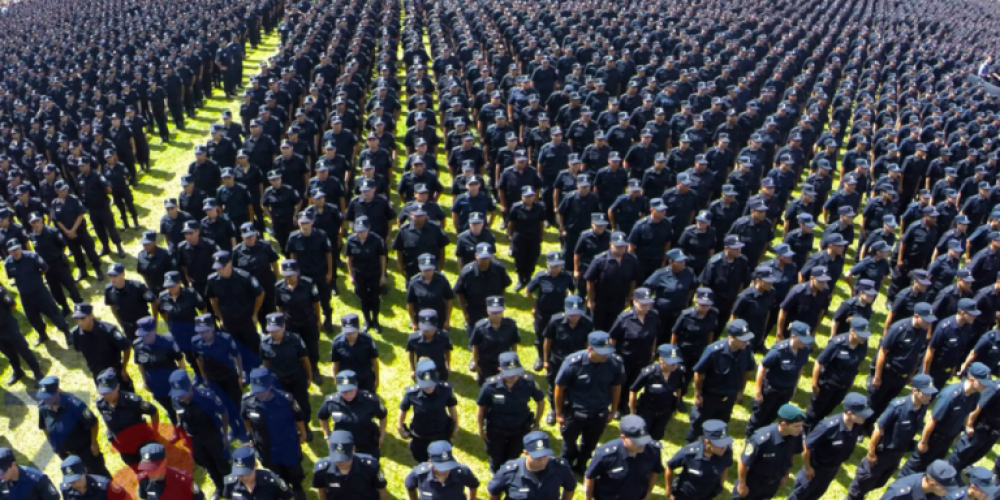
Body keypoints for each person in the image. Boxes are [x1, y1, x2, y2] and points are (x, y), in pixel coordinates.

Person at [847, 375, 937, 500]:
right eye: (926, 393)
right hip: (883, 453)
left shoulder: (922, 406)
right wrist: (871, 453)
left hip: (897, 454)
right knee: (862, 484)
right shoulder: (898, 407)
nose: (930, 397)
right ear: (915, 391)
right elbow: (879, 428)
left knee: (880, 482)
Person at [899, 362, 991, 475]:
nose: (985, 386)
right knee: (914, 468)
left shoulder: (975, 395)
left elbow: (966, 414)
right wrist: (923, 442)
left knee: (931, 469)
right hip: (935, 438)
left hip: (948, 440)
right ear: (972, 379)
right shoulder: (951, 395)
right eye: (983, 382)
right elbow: (932, 420)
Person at [554, 331, 625, 473]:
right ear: (590, 348)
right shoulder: (572, 363)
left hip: (599, 413)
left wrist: (613, 410)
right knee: (568, 444)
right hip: (574, 413)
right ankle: (566, 468)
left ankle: (581, 464)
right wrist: (558, 413)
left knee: (589, 445)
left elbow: (616, 388)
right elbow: (559, 388)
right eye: (601, 351)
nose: (605, 355)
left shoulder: (614, 363)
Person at [867, 302, 936, 434]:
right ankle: (860, 427)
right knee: (873, 401)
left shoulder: (922, 331)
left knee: (884, 403)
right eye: (926, 320)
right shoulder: (899, 328)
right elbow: (883, 351)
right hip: (887, 373)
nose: (928, 324)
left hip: (901, 377)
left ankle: (868, 424)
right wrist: (877, 376)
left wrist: (911, 374)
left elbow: (915, 353)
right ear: (916, 316)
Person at [788, 393, 872, 500]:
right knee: (800, 495)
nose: (865, 417)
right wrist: (808, 468)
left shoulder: (857, 425)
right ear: (850, 413)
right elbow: (806, 446)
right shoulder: (828, 426)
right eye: (862, 414)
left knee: (815, 495)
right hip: (816, 469)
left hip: (832, 469)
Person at [241, 367, 308, 500]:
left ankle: (297, 486)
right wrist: (250, 436)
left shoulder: (286, 399)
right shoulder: (247, 402)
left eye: (263, 390)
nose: (260, 394)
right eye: (257, 391)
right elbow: (246, 420)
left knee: (293, 469)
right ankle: (284, 489)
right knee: (275, 471)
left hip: (287, 443)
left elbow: (299, 417)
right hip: (265, 446)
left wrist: (303, 433)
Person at [685, 320, 756, 442]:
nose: (746, 341)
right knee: (698, 425)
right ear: (731, 337)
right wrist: (697, 394)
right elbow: (699, 372)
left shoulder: (746, 349)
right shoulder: (714, 351)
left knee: (720, 425)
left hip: (729, 397)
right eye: (742, 339)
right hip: (710, 397)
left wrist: (741, 390)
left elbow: (747, 370)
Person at [477, 352, 545, 472]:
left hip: (519, 429)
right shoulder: (490, 385)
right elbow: (481, 407)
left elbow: (540, 401)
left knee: (513, 457)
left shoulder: (528, 383)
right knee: (496, 458)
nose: (513, 377)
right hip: (496, 429)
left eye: (515, 373)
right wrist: (481, 429)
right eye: (509, 373)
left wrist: (536, 422)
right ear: (500, 370)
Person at [167, 370, 230, 495]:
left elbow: (224, 412)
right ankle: (219, 486)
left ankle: (230, 487)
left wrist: (226, 435)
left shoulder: (206, 396)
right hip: (194, 439)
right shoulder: (175, 399)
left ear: (190, 386)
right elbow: (178, 415)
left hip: (211, 434)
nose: (181, 397)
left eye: (183, 393)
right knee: (207, 464)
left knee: (221, 461)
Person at [745, 321, 814, 436]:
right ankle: (751, 436)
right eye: (802, 340)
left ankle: (763, 434)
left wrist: (795, 387)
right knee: (760, 415)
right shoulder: (779, 351)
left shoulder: (805, 350)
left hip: (786, 390)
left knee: (774, 415)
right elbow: (762, 366)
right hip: (771, 389)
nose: (805, 343)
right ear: (793, 336)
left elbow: (800, 368)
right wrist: (757, 391)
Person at [35, 376, 110, 477]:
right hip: (65, 454)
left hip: (85, 451)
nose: (45, 400)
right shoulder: (43, 407)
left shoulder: (75, 405)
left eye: (48, 396)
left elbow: (93, 422)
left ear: (57, 391)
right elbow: (44, 426)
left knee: (100, 475)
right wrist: (54, 445)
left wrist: (94, 443)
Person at [805, 317, 871, 431]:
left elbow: (856, 365)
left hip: (842, 387)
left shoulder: (863, 345)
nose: (864, 338)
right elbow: (819, 362)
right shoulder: (837, 343)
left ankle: (815, 429)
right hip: (828, 384)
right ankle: (805, 430)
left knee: (828, 409)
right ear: (852, 331)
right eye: (861, 334)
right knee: (814, 411)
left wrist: (851, 382)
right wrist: (815, 384)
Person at [205, 250, 265, 374]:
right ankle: (245, 370)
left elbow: (260, 294)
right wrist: (220, 317)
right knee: (236, 345)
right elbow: (212, 298)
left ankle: (258, 368)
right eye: (217, 268)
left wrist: (255, 314)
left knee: (252, 343)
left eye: (222, 267)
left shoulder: (244, 277)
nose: (219, 270)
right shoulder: (213, 280)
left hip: (246, 318)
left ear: (230, 263)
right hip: (229, 320)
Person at [4, 239, 71, 345]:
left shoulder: (32, 257)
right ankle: (42, 334)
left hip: (39, 291)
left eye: (17, 249)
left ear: (20, 247)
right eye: (12, 250)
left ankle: (66, 332)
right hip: (25, 295)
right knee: (32, 317)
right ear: (9, 251)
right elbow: (11, 277)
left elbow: (44, 268)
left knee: (52, 311)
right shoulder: (8, 263)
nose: (15, 252)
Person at [733, 404, 805, 500]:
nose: (800, 429)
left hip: (772, 485)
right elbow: (743, 462)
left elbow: (792, 455)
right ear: (783, 424)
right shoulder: (761, 439)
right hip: (753, 483)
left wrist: (785, 474)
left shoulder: (796, 435)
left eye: (801, 425)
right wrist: (742, 484)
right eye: (796, 426)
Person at [93, 368, 160, 471]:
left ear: (117, 387)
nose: (106, 396)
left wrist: (155, 431)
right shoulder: (100, 404)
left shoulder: (133, 401)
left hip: (141, 442)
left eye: (109, 392)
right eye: (103, 393)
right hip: (124, 447)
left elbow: (153, 411)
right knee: (136, 469)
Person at [260, 312, 313, 441]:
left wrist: (309, 377)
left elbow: (305, 359)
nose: (274, 333)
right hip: (279, 381)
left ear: (283, 327)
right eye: (271, 330)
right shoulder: (265, 343)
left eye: (277, 330)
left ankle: (305, 426)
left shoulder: (295, 339)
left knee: (302, 403)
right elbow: (266, 362)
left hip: (297, 378)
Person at [584, 414, 663, 500]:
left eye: (644, 439)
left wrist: (648, 493)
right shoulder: (605, 455)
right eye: (637, 441)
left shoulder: (653, 450)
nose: (642, 444)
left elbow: (654, 472)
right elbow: (589, 477)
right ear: (623, 438)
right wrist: (588, 498)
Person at [609, 288, 660, 415]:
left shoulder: (653, 316)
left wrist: (653, 352)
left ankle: (625, 402)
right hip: (625, 357)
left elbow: (654, 335)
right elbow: (613, 338)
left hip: (643, 357)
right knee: (621, 382)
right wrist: (612, 356)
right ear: (635, 302)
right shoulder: (624, 318)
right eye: (643, 304)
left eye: (648, 304)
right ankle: (616, 404)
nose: (646, 307)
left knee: (634, 382)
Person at [398, 359, 459, 463]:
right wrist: (400, 427)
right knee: (423, 462)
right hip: (421, 437)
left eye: (431, 384)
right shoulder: (411, 393)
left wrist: (455, 427)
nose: (429, 387)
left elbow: (452, 409)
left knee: (442, 462)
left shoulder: (445, 390)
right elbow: (402, 410)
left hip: (441, 434)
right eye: (425, 385)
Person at [485, 431, 576, 500]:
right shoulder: (509, 472)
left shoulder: (560, 468)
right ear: (526, 453)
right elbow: (494, 492)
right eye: (537, 457)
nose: (543, 461)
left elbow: (570, 487)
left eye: (545, 456)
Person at [317, 370, 388, 458]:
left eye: (351, 390)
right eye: (344, 391)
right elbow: (322, 416)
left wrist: (382, 435)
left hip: (367, 444)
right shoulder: (331, 402)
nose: (348, 394)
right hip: (342, 445)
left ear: (356, 385)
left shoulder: (370, 400)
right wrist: (327, 436)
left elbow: (383, 416)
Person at [286, 210, 335, 332]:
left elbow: (329, 254)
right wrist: (295, 273)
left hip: (320, 273)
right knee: (306, 299)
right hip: (303, 275)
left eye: (307, 222)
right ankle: (312, 322)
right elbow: (293, 255)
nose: (304, 225)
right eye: (302, 223)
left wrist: (329, 272)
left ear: (312, 222)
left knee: (325, 298)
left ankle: (328, 320)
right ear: (298, 223)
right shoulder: (293, 237)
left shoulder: (321, 235)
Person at [274, 261, 322, 379]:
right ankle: (301, 369)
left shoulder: (308, 284)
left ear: (297, 273)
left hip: (308, 321)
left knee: (312, 346)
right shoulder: (279, 287)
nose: (289, 277)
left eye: (291, 274)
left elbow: (316, 302)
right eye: (286, 275)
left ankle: (314, 369)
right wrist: (281, 323)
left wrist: (318, 319)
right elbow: (279, 306)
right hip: (291, 324)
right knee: (295, 347)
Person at [131, 317, 183, 426]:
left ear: (154, 330)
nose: (144, 337)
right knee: (169, 409)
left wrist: (183, 379)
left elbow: (180, 360)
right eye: (142, 335)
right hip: (155, 385)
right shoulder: (137, 346)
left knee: (181, 407)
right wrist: (145, 381)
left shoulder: (167, 341)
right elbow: (140, 364)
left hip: (172, 384)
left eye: (147, 334)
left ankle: (187, 427)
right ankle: (177, 428)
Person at [526, 251, 575, 368]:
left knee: (557, 336)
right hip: (543, 314)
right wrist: (534, 306)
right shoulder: (540, 276)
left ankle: (553, 356)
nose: (557, 268)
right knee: (540, 336)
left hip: (559, 314)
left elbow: (572, 290)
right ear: (547, 264)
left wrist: (568, 301)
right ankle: (541, 358)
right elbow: (528, 291)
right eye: (554, 265)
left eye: (559, 265)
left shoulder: (567, 276)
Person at [584, 231, 641, 331]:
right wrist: (590, 300)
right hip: (601, 300)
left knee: (614, 327)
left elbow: (633, 280)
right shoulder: (600, 260)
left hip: (619, 301)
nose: (621, 248)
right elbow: (590, 280)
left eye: (623, 246)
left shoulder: (632, 260)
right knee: (598, 328)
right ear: (611, 244)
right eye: (618, 246)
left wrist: (629, 298)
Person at [69, 303, 133, 391]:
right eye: (77, 319)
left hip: (115, 373)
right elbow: (77, 348)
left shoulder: (109, 330)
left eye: (83, 318)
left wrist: (124, 368)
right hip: (98, 375)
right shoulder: (75, 334)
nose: (80, 322)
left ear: (91, 316)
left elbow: (126, 347)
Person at [28, 212, 82, 316]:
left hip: (59, 263)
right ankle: (65, 307)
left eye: (37, 220)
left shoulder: (52, 231)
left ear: (42, 220)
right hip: (47, 268)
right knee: (55, 290)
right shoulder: (33, 236)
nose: (36, 224)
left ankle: (79, 305)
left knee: (70, 286)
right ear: (30, 224)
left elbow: (62, 245)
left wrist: (56, 255)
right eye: (33, 222)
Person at [946, 368, 1000, 472]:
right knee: (963, 452)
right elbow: (978, 407)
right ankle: (947, 472)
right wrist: (969, 425)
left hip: (994, 432)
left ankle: (959, 471)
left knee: (978, 454)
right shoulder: (995, 388)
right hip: (980, 428)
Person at [663, 420, 733, 500]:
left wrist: (720, 485)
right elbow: (670, 466)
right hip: (685, 495)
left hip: (707, 495)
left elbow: (725, 467)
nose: (724, 448)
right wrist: (668, 490)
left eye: (725, 443)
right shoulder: (689, 453)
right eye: (720, 445)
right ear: (707, 442)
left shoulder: (726, 452)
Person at [311, 431, 388, 500]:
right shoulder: (322, 470)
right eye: (336, 458)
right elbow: (321, 491)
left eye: (345, 458)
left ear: (353, 450)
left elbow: (381, 490)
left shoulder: (370, 466)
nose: (341, 462)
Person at [629, 344, 683, 441]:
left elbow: (678, 389)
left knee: (656, 436)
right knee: (641, 436)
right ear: (661, 360)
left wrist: (675, 406)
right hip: (646, 411)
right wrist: (632, 414)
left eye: (676, 362)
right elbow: (633, 390)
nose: (675, 365)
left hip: (664, 412)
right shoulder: (649, 372)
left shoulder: (678, 372)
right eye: (671, 363)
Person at [232, 223, 281, 328]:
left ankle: (273, 328)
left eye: (252, 235)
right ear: (242, 236)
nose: (250, 238)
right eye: (247, 236)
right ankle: (264, 328)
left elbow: (274, 262)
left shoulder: (265, 246)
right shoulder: (237, 251)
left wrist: (277, 276)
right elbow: (234, 269)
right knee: (257, 310)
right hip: (249, 288)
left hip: (267, 283)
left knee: (270, 307)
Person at [454, 243, 513, 331]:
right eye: (482, 258)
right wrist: (465, 312)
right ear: (476, 256)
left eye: (487, 257)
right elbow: (460, 293)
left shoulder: (499, 269)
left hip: (493, 308)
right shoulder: (467, 272)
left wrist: (500, 307)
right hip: (474, 310)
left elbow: (503, 287)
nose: (484, 260)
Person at [345, 217, 388, 331]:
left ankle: (375, 320)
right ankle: (367, 320)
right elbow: (348, 258)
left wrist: (383, 275)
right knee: (363, 298)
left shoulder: (377, 240)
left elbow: (382, 257)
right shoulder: (351, 241)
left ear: (368, 229)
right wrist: (350, 275)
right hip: (359, 273)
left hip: (374, 272)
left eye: (363, 231)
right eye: (359, 231)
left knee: (375, 298)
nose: (361, 233)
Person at [470, 297, 521, 385]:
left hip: (504, 364)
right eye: (494, 312)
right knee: (486, 385)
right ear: (488, 311)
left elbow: (514, 343)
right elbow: (475, 345)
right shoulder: (480, 327)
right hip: (486, 363)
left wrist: (514, 360)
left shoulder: (511, 326)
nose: (497, 315)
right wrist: (475, 362)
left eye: (500, 312)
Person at [405, 440, 480, 500]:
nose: (446, 469)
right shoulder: (420, 474)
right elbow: (409, 485)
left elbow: (473, 485)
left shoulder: (462, 472)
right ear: (430, 463)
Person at [0, 282, 43, 386]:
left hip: (8, 326)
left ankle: (37, 373)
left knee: (23, 349)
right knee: (8, 353)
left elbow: (12, 304)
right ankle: (18, 371)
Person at [104, 263, 157, 341]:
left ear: (123, 274)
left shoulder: (137, 287)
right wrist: (120, 322)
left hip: (144, 324)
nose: (112, 279)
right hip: (128, 328)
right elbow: (113, 306)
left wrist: (154, 320)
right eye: (110, 276)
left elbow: (154, 301)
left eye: (115, 276)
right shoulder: (108, 290)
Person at [136, 443, 206, 500]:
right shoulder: (143, 480)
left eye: (153, 468)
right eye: (146, 468)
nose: (149, 473)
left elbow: (201, 498)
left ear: (164, 463)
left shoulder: (184, 480)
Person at [221, 446, 295, 500]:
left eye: (246, 473)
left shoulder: (272, 481)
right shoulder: (230, 482)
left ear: (255, 465)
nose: (243, 477)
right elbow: (230, 497)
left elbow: (289, 497)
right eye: (239, 473)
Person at [331, 313, 380, 392]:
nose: (350, 335)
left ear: (358, 329)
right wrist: (336, 379)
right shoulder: (337, 342)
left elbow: (374, 360)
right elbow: (335, 363)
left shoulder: (367, 340)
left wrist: (377, 379)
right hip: (347, 379)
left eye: (352, 332)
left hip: (365, 378)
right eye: (347, 333)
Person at [876, 460, 956, 500]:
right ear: (932, 483)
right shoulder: (900, 493)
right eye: (945, 487)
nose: (947, 491)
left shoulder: (934, 492)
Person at [59, 454, 125, 500]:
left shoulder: (105, 486)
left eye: (78, 479)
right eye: (71, 481)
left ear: (84, 472)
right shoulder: (66, 490)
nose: (76, 484)